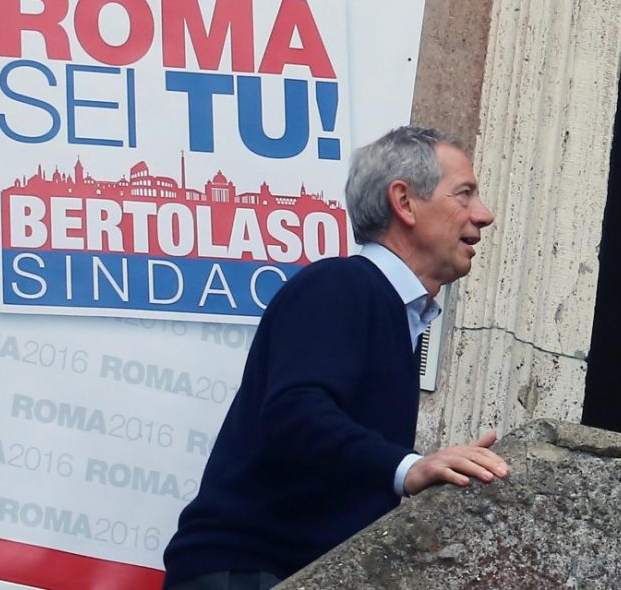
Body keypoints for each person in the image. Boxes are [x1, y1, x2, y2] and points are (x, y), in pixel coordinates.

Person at [162, 126, 509, 589]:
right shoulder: (341, 285)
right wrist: (408, 467)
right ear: (404, 202)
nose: (483, 215)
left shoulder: (390, 310)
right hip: (248, 573)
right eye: (464, 194)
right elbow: (294, 415)